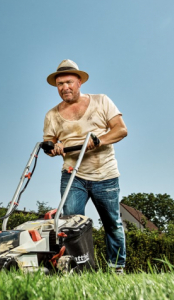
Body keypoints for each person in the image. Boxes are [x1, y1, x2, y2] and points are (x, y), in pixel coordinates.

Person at [43, 59, 128, 273]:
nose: (65, 88)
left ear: (79, 82)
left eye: (69, 82)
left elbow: (120, 130)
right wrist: (54, 148)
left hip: (105, 174)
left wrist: (99, 140)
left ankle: (116, 268)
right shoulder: (52, 115)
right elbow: (49, 143)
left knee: (112, 224)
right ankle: (78, 268)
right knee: (71, 225)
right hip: (74, 176)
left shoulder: (101, 101)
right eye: (60, 84)